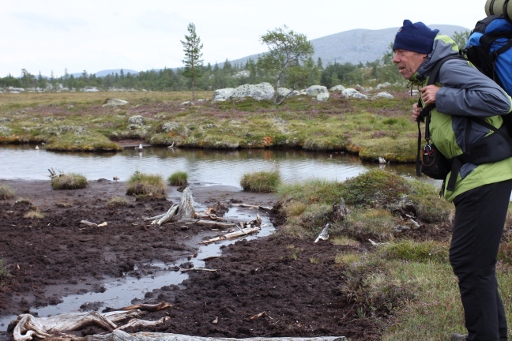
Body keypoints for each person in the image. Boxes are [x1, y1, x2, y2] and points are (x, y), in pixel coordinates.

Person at [392, 20, 512, 341]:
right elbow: (462, 119)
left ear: (420, 52)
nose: (395, 59)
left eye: (401, 51)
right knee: (476, 264)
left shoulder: (449, 69)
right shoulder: (435, 75)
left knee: (469, 262)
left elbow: (500, 101)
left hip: (486, 173)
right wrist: (428, 109)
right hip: (475, 174)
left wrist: (443, 97)